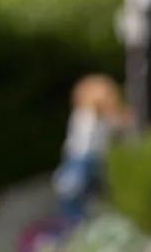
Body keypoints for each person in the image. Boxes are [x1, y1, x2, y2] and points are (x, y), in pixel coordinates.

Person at [53, 74, 130, 222]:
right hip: (80, 159)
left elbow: (119, 128)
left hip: (96, 160)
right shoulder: (85, 114)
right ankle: (74, 219)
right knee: (74, 191)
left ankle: (89, 218)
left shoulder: (105, 117)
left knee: (95, 194)